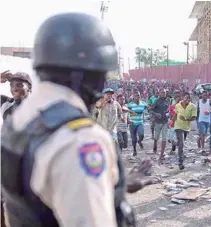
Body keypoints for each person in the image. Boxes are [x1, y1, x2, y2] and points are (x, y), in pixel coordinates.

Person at [1, 13, 152, 227]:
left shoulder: (21, 118)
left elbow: (46, 188)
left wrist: (114, 185)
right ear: (86, 74)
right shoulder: (81, 139)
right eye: (102, 74)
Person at [0, 70, 32, 227]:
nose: (15, 88)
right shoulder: (7, 104)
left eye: (19, 84)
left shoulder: (36, 107)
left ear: (29, 88)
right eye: (12, 85)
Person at [172, 92, 197, 170]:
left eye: (189, 98)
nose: (188, 99)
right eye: (186, 98)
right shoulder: (177, 105)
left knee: (180, 144)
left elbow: (194, 117)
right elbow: (175, 115)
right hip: (178, 126)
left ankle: (174, 143)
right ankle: (180, 162)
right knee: (181, 144)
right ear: (182, 97)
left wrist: (186, 119)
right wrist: (171, 123)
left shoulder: (193, 106)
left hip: (186, 128)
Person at [150, 89, 170, 163]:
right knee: (157, 137)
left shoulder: (168, 101)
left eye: (164, 93)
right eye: (162, 93)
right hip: (158, 122)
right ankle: (155, 143)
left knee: (164, 138)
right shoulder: (156, 101)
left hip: (165, 122)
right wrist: (156, 114)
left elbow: (169, 110)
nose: (163, 94)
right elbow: (150, 110)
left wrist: (168, 114)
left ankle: (161, 154)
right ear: (159, 94)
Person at [127, 91, 147, 156]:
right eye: (136, 96)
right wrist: (128, 119)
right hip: (132, 124)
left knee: (141, 134)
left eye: (138, 95)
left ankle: (140, 141)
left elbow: (149, 108)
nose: (138, 97)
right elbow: (124, 110)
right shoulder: (130, 104)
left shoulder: (143, 103)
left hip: (140, 123)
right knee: (133, 139)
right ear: (133, 97)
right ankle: (134, 150)